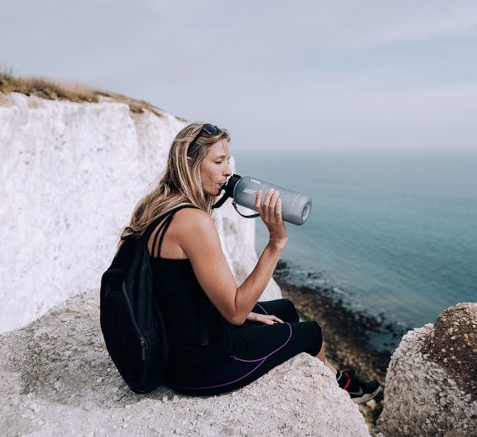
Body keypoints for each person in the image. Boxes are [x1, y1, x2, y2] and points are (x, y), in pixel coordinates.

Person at [120, 122, 381, 404]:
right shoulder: (193, 222)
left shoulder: (156, 205)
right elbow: (233, 311)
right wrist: (275, 243)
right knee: (312, 332)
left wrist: (250, 316)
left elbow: (177, 290)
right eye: (218, 161)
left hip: (174, 342)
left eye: (227, 161)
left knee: (286, 309)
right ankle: (342, 391)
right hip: (200, 367)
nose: (228, 172)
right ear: (188, 162)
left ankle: (335, 378)